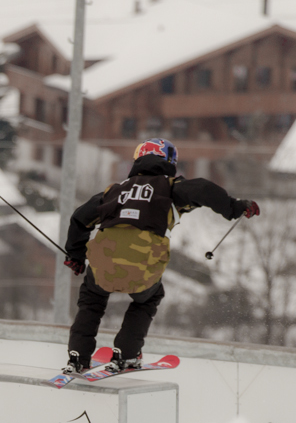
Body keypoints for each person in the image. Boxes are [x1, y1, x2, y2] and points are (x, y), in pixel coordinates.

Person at [62, 137, 258, 372]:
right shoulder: (171, 188)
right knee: (148, 299)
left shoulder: (113, 192)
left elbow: (79, 218)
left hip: (102, 263)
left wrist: (75, 255)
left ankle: (77, 356)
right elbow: (204, 189)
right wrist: (236, 207)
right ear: (170, 161)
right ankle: (126, 353)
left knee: (92, 300)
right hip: (142, 266)